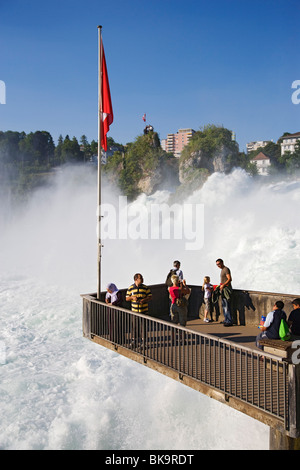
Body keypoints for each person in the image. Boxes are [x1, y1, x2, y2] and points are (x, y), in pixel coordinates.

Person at [126, 274, 152, 346]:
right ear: (136, 279)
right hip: (134, 311)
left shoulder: (145, 288)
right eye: (141, 278)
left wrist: (144, 300)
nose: (142, 279)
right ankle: (134, 341)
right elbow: (127, 298)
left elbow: (150, 297)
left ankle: (143, 342)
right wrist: (132, 298)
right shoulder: (131, 288)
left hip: (144, 311)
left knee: (143, 327)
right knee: (134, 327)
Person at [216, 258, 233, 326]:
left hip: (226, 290)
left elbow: (229, 279)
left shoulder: (226, 269)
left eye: (219, 264)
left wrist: (223, 285)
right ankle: (226, 320)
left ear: (222, 263)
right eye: (217, 264)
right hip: (223, 289)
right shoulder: (222, 270)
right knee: (224, 306)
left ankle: (229, 321)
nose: (218, 265)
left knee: (226, 306)